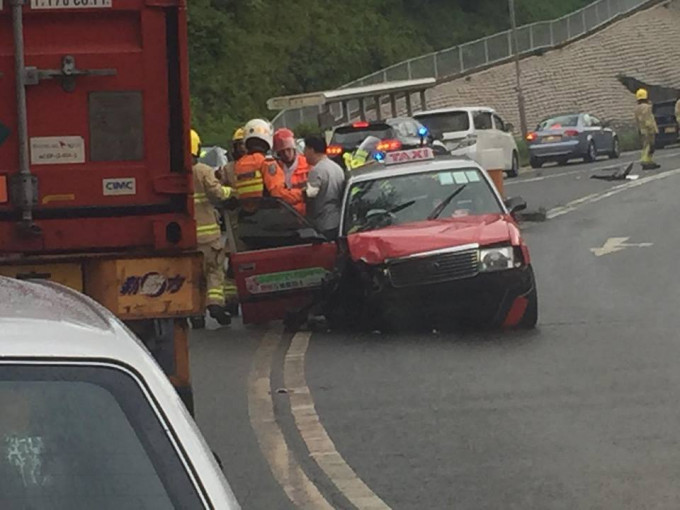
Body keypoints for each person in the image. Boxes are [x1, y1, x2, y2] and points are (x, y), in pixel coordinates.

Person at [190, 129, 235, 327]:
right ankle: (215, 303)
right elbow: (217, 194)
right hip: (209, 237)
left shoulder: (174, 173)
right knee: (214, 271)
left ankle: (196, 314)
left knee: (193, 277)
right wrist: (232, 191)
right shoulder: (203, 171)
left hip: (185, 239)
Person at [234, 119, 305, 211]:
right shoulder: (267, 162)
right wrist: (303, 194)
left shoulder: (239, 164)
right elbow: (278, 193)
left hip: (247, 219)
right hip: (269, 216)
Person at [303, 135, 346, 240]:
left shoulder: (316, 171)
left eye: (305, 149)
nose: (304, 154)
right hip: (339, 220)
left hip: (323, 223)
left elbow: (310, 195)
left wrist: (303, 192)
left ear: (311, 149)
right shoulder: (337, 168)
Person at [273, 128, 309, 215]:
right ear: (278, 153)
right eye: (282, 151)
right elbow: (276, 194)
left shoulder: (307, 164)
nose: (286, 154)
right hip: (285, 216)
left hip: (306, 217)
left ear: (294, 149)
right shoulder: (276, 169)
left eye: (288, 150)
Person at [634, 88, 660, 170]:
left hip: (641, 130)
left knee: (645, 146)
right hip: (648, 130)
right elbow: (648, 119)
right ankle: (646, 161)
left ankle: (648, 161)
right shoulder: (647, 107)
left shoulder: (637, 108)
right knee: (650, 146)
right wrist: (652, 129)